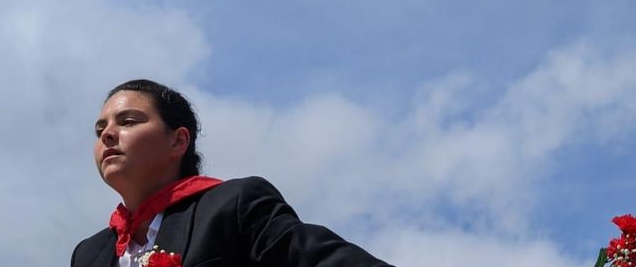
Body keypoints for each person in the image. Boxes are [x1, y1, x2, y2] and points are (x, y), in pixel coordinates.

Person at [71, 79, 394, 267]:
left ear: (178, 140)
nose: (107, 135)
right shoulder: (89, 254)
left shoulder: (233, 206)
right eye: (100, 129)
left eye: (128, 122)